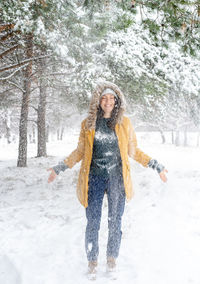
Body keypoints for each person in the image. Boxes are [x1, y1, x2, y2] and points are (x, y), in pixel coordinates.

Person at [47, 82, 168, 279]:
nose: (108, 101)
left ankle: (111, 259)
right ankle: (92, 261)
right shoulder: (88, 124)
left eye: (112, 98)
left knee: (115, 222)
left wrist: (156, 165)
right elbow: (80, 151)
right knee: (93, 222)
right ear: (98, 100)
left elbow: (134, 151)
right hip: (94, 178)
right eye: (104, 97)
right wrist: (59, 167)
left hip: (117, 180)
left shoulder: (124, 123)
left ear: (117, 101)